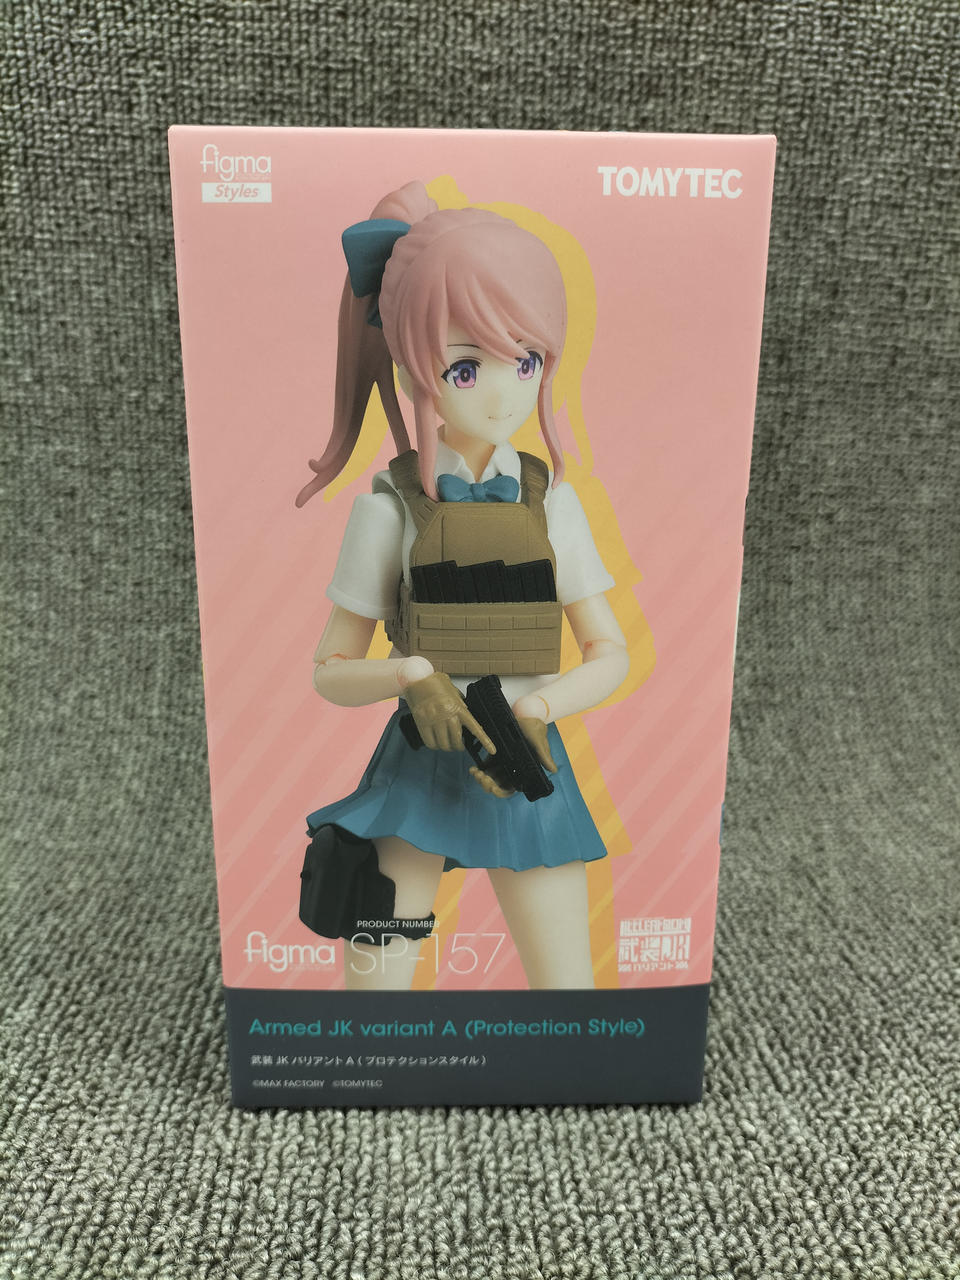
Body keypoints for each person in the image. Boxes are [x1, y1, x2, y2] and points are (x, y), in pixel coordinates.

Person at [296, 180, 639, 991]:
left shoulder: (550, 503)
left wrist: (538, 711)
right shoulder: (389, 509)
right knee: (375, 996)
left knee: (567, 993)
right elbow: (330, 671)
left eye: (526, 360)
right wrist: (411, 675)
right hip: (419, 770)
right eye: (464, 365)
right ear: (413, 367)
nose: (504, 391)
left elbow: (610, 651)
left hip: (525, 767)